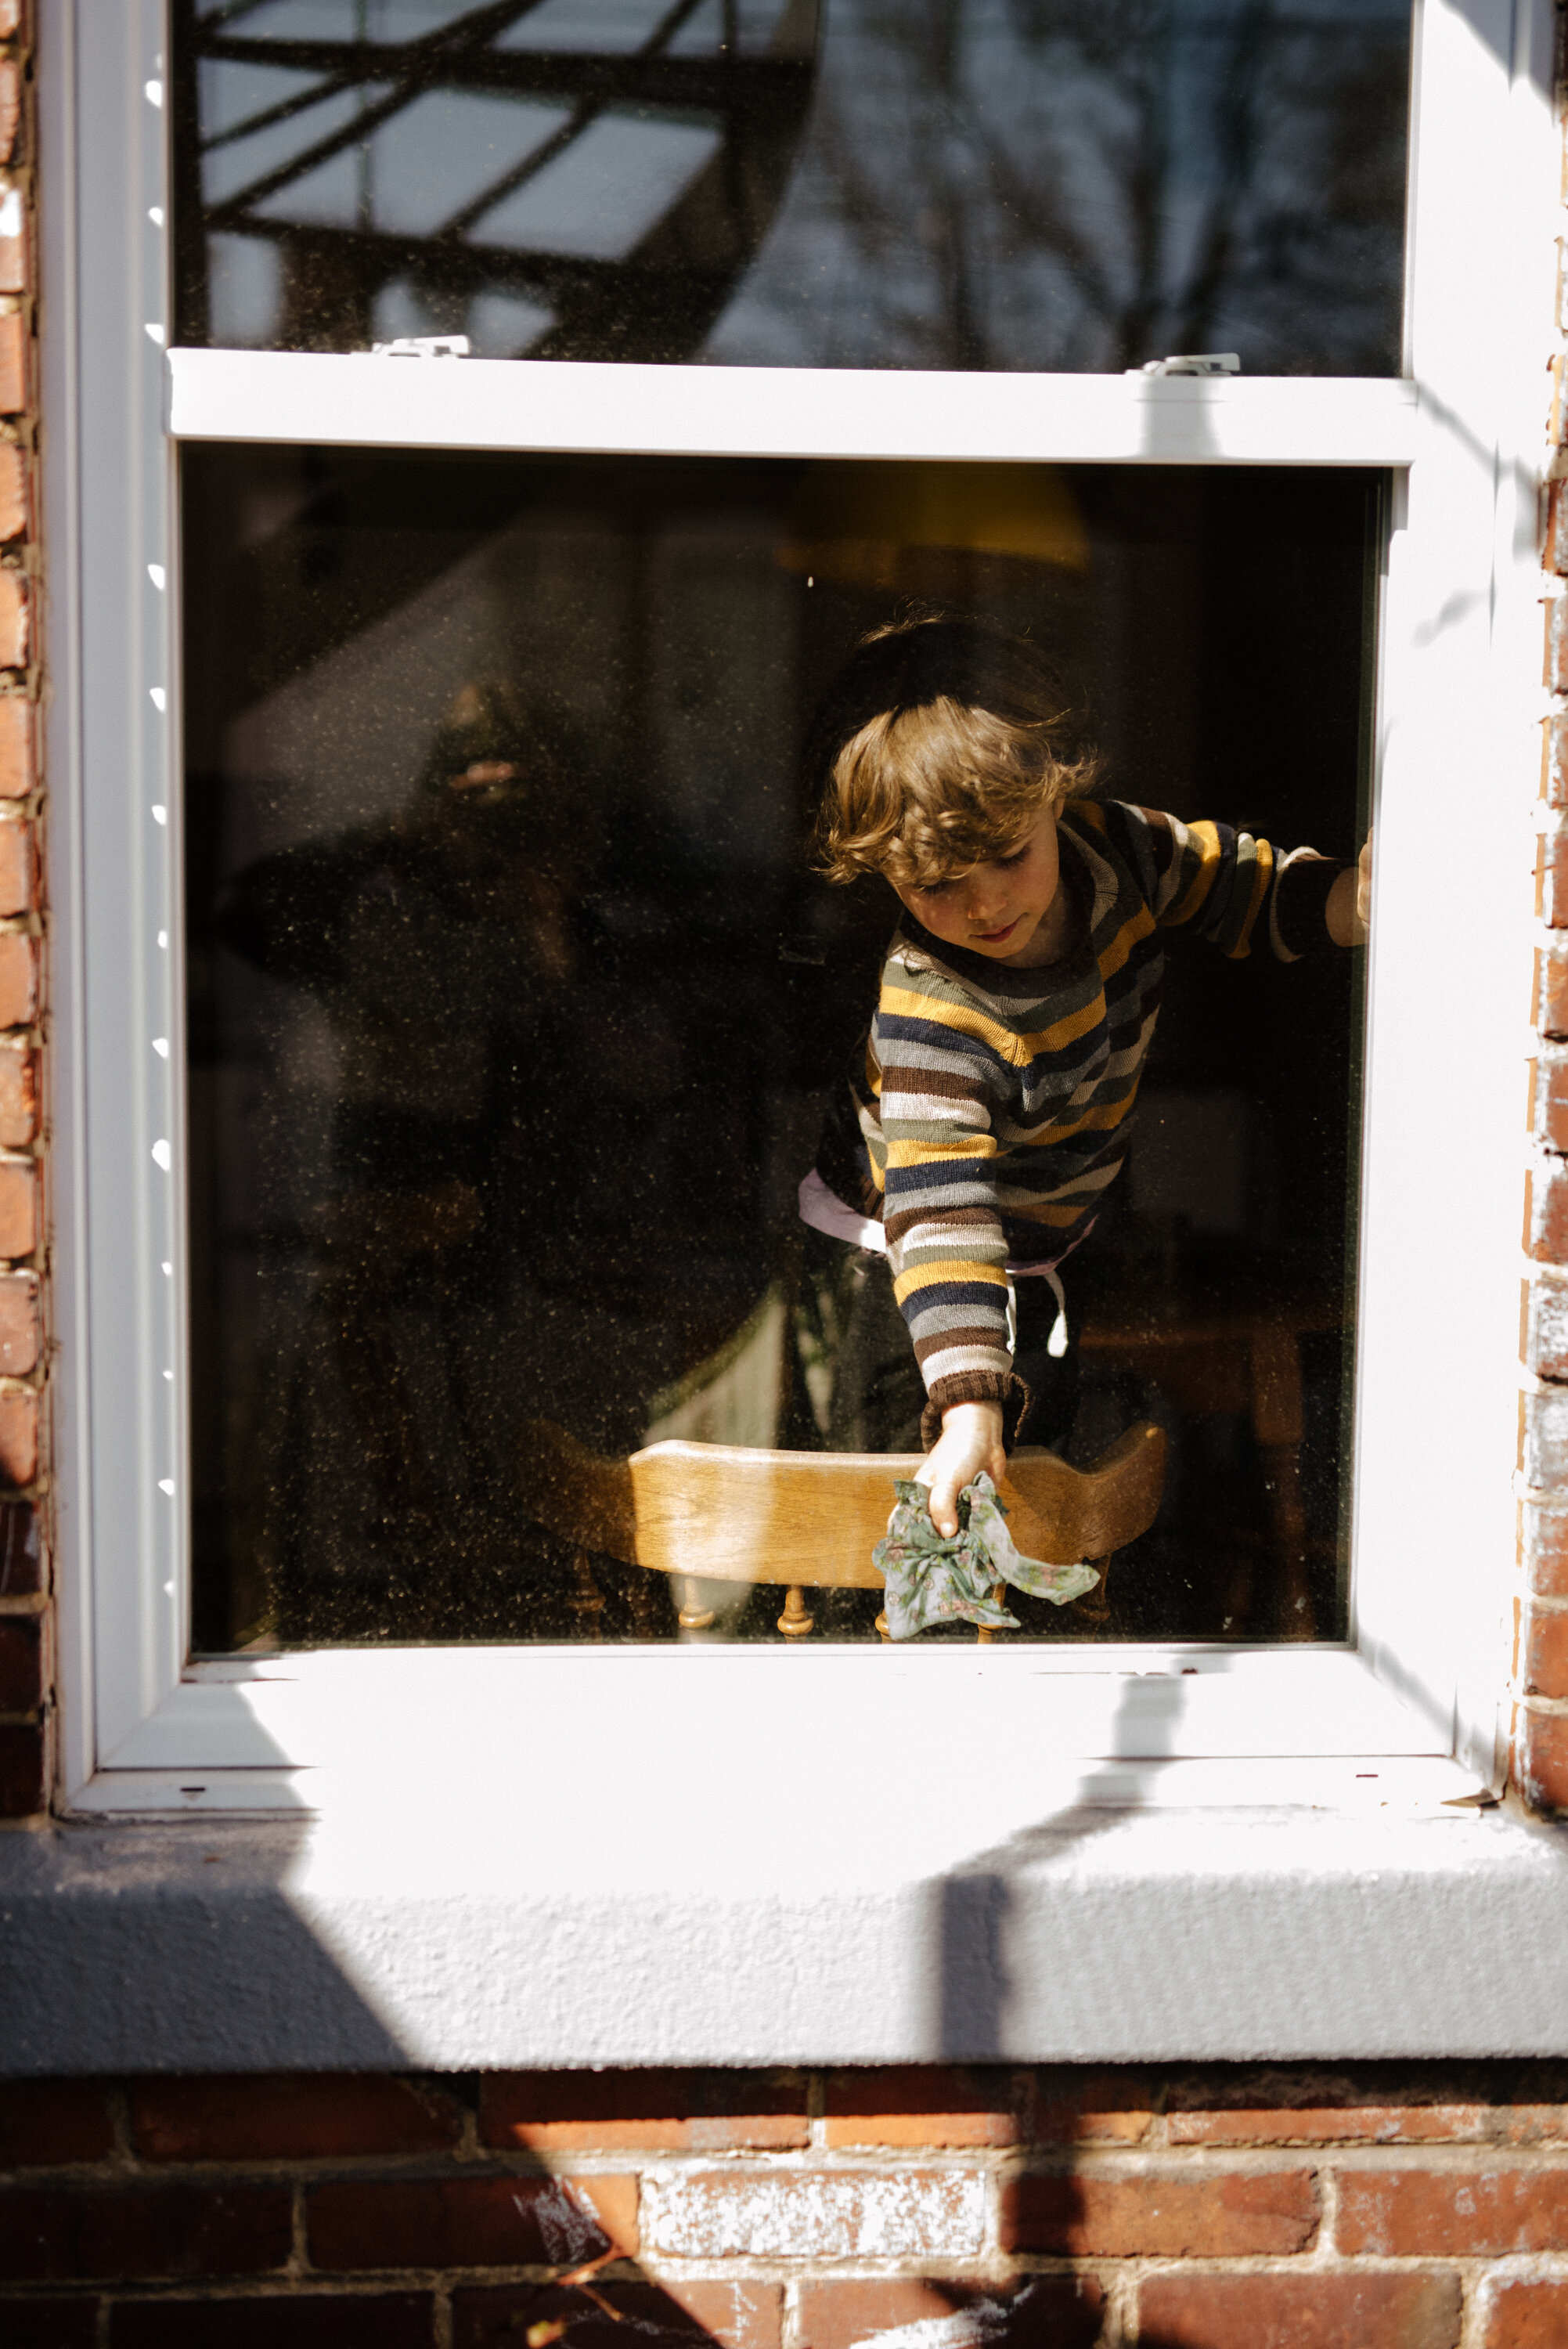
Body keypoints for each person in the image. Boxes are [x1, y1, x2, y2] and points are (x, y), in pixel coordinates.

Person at [801, 615, 1372, 1539]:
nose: (983, 903)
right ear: (885, 874)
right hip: (897, 1254)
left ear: (1054, 799)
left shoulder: (1125, 853)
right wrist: (968, 1401)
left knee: (1030, 1479)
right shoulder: (930, 1017)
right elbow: (942, 1206)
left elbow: (1237, 886)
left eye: (1005, 855)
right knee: (919, 1506)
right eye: (934, 883)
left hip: (1036, 1241)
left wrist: (1357, 903)